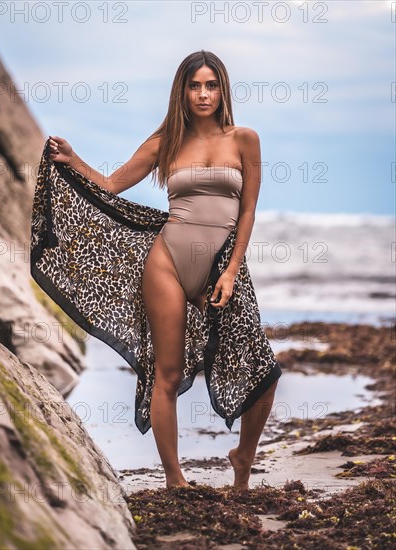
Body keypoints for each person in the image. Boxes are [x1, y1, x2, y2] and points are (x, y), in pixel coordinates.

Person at [46, 50, 280, 490]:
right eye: (195, 86)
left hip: (220, 266)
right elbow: (112, 186)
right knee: (166, 376)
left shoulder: (245, 139)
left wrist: (229, 271)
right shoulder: (165, 143)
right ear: (182, 91)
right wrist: (75, 161)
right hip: (167, 263)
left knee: (264, 374)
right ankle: (175, 478)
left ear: (223, 89)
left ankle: (243, 458)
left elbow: (247, 211)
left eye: (212, 85)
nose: (204, 94)